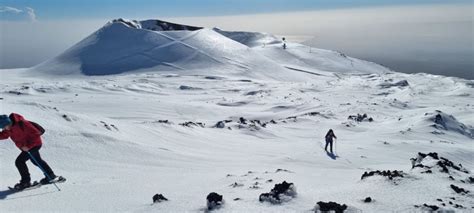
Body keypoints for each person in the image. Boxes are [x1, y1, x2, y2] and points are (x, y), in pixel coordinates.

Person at [0, 113, 59, 190]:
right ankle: (51, 175)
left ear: (8, 123)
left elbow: (36, 134)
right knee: (37, 161)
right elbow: (5, 135)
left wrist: (29, 146)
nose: (4, 129)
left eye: (4, 127)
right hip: (26, 147)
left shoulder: (23, 124)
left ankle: (26, 182)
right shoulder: (9, 128)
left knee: (19, 162)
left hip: (34, 145)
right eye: (2, 128)